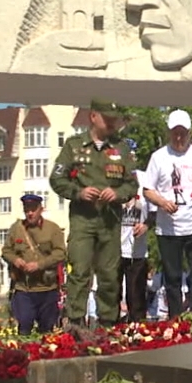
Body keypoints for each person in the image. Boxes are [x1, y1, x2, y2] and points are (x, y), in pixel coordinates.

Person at [49, 99, 141, 330]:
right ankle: (76, 322)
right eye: (106, 118)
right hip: (83, 220)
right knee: (79, 271)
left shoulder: (122, 148)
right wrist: (79, 192)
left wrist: (117, 192)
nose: (111, 123)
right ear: (93, 117)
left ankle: (107, 323)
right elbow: (57, 179)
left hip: (110, 221)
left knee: (109, 274)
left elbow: (132, 185)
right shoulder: (74, 145)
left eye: (113, 119)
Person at [141, 109, 192, 315]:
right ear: (169, 132)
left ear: (189, 133)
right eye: (175, 132)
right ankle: (175, 319)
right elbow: (147, 189)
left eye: (183, 132)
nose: (179, 137)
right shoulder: (159, 157)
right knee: (172, 277)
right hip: (169, 228)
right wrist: (162, 202)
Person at [1, 194, 67, 335]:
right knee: (24, 325)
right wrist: (15, 260)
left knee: (47, 329)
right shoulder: (17, 229)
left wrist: (39, 265)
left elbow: (60, 253)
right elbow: (6, 251)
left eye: (33, 209)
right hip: (24, 288)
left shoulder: (52, 228)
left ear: (40, 209)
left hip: (47, 288)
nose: (30, 213)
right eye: (27, 210)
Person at [119, 172, 153, 323]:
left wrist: (145, 226)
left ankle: (138, 328)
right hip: (115, 251)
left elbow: (155, 213)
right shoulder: (114, 184)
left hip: (137, 253)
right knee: (113, 294)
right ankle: (112, 329)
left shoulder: (145, 183)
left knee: (136, 295)